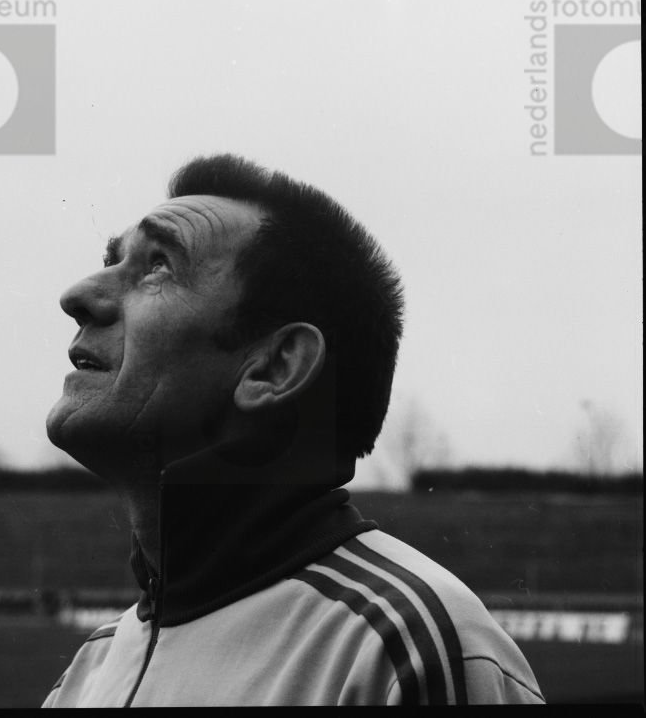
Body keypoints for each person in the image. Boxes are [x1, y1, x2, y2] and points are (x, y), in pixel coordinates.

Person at [41, 153, 544, 707]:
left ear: (274, 367)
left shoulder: (405, 654)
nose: (78, 295)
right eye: (112, 260)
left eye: (158, 264)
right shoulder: (85, 675)